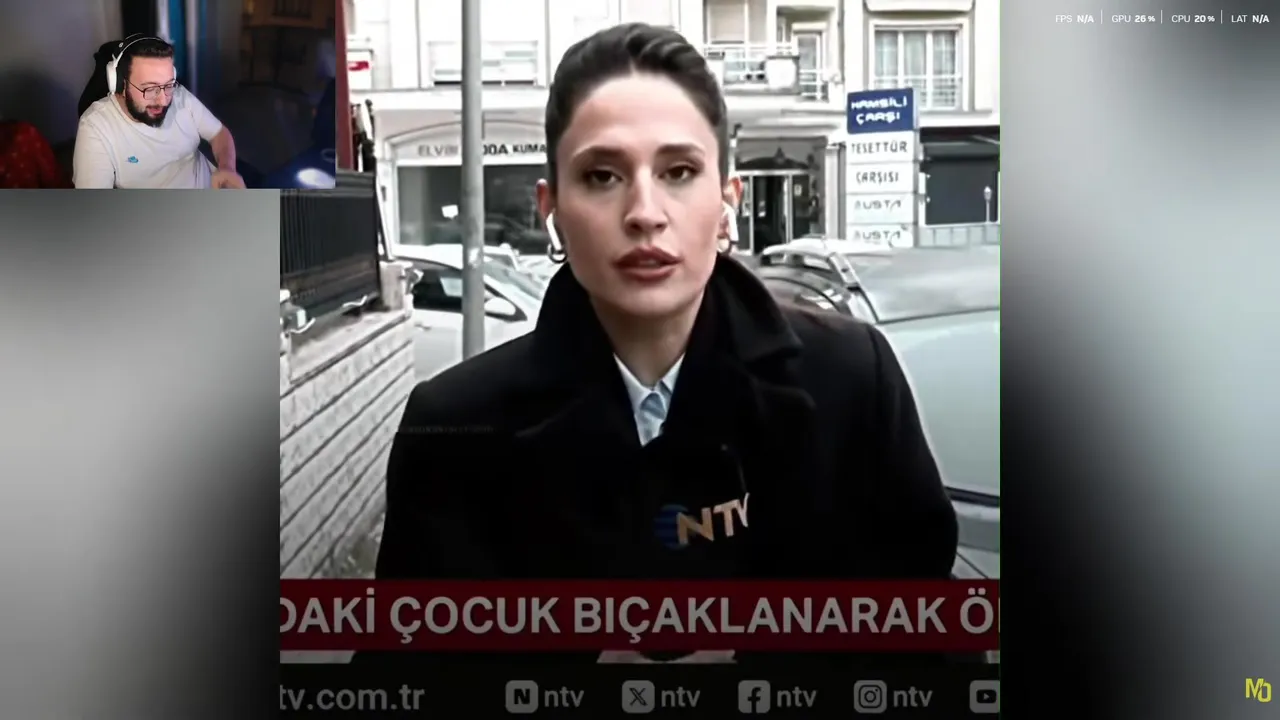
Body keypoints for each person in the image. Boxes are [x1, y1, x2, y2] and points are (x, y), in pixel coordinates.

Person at [366, 23, 961, 669]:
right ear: (552, 208)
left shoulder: (852, 379)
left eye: (678, 171)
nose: (644, 212)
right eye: (601, 175)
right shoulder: (453, 427)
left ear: (727, 200)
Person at [73, 36, 244, 189]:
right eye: (149, 88)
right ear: (119, 85)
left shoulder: (179, 95)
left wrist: (227, 168)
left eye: (168, 85)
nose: (163, 100)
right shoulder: (95, 126)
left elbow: (219, 133)